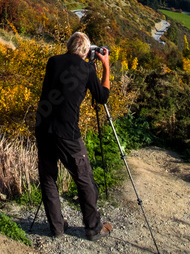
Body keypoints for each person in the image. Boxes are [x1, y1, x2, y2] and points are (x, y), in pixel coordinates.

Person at [34, 31, 113, 241]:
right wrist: (105, 66)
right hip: (67, 133)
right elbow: (102, 97)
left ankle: (57, 227)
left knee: (48, 178)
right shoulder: (87, 69)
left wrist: (88, 65)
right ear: (87, 51)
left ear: (69, 46)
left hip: (43, 127)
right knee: (84, 178)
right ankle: (93, 228)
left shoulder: (53, 61)